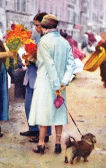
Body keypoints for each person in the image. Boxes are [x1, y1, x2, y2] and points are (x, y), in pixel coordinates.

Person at [28, 14, 75, 154]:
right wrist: (63, 83)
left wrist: (55, 86)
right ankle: (58, 144)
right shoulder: (64, 42)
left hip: (46, 83)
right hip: (61, 84)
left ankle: (41, 144)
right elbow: (71, 65)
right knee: (58, 112)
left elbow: (49, 66)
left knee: (44, 112)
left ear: (44, 27)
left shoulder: (44, 42)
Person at [20, 12, 52, 143]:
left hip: (41, 78)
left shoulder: (49, 40)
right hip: (31, 76)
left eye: (38, 25)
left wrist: (32, 60)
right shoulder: (38, 37)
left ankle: (45, 134)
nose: (36, 28)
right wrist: (28, 58)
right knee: (29, 105)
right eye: (35, 25)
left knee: (42, 107)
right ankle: (33, 129)